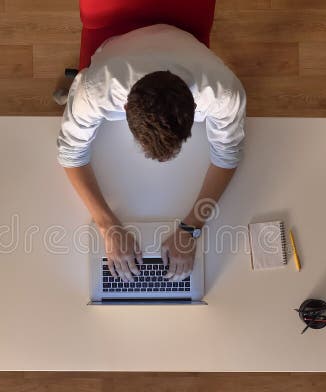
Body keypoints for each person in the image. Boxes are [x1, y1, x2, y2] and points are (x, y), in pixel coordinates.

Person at [57, 24, 246, 283]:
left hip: (182, 40)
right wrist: (107, 227)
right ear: (124, 107)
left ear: (194, 106)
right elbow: (70, 153)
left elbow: (228, 156)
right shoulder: (95, 90)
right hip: (119, 45)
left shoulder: (224, 94)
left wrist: (191, 228)